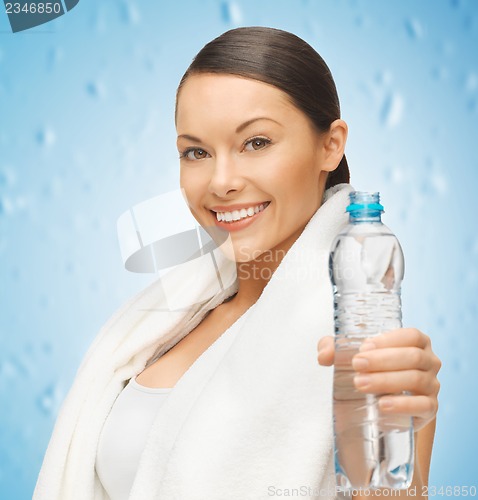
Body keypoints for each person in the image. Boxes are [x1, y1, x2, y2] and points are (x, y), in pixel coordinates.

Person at [34, 27, 441, 500]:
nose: (222, 181)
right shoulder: (163, 322)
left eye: (256, 143)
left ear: (330, 146)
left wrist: (400, 430)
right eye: (197, 152)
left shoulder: (360, 352)